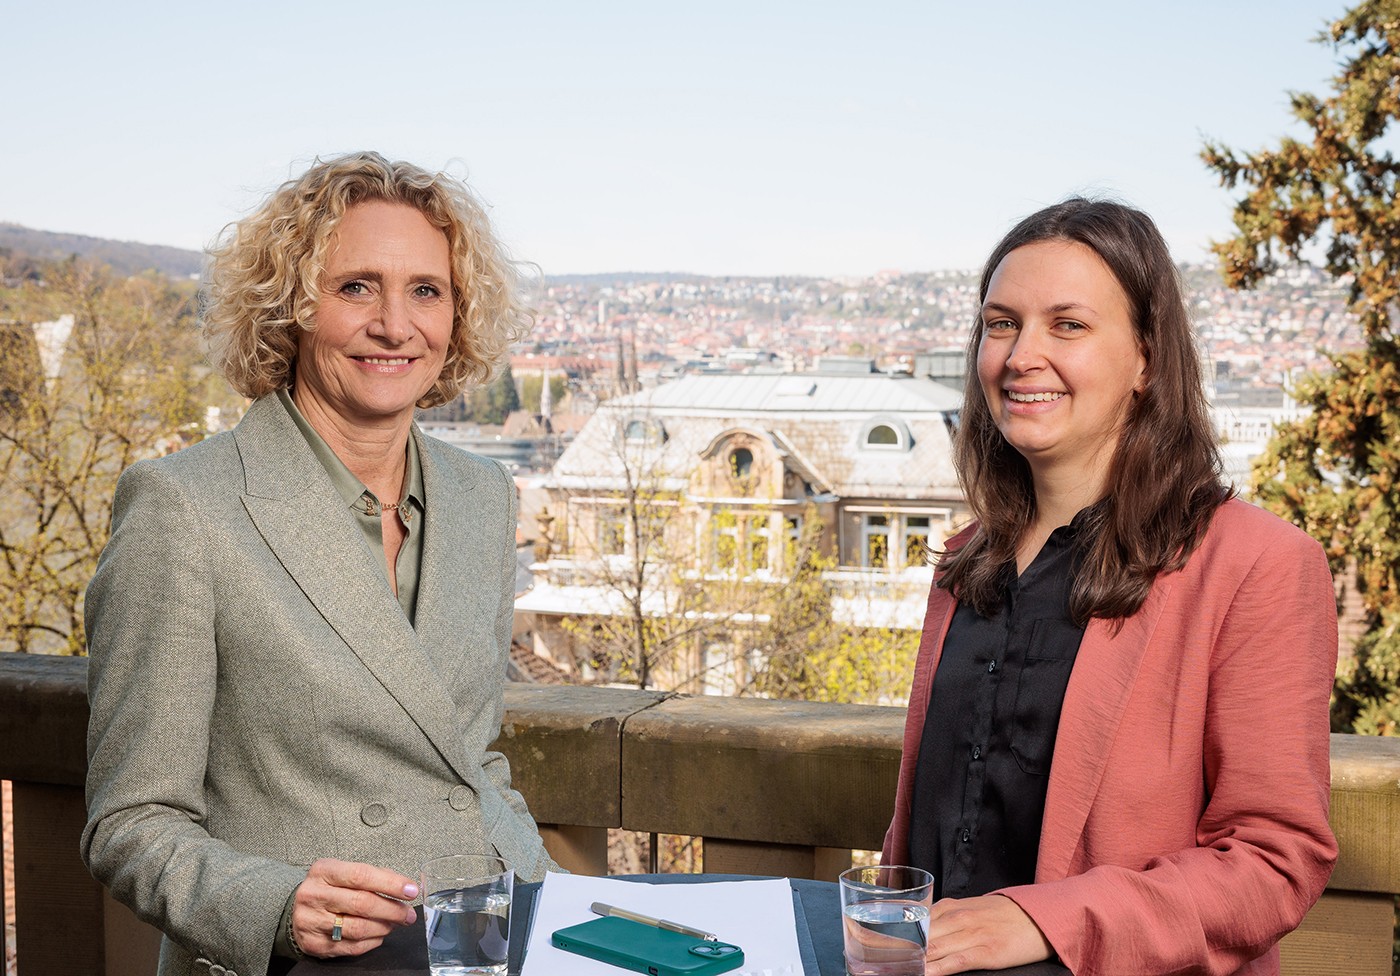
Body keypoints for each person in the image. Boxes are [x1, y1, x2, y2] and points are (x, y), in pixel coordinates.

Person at [81, 152, 554, 976]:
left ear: (459, 314)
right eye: (356, 287)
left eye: (426, 291)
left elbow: (467, 757)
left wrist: (549, 900)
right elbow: (130, 823)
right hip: (306, 965)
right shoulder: (183, 506)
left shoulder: (482, 497)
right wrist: (272, 905)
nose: (396, 326)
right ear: (291, 306)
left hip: (485, 941)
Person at [880, 199, 1338, 976]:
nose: (1023, 354)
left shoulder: (1254, 565)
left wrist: (1038, 922)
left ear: (1147, 359)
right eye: (1001, 323)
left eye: (1068, 325)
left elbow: (1273, 862)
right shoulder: (966, 564)